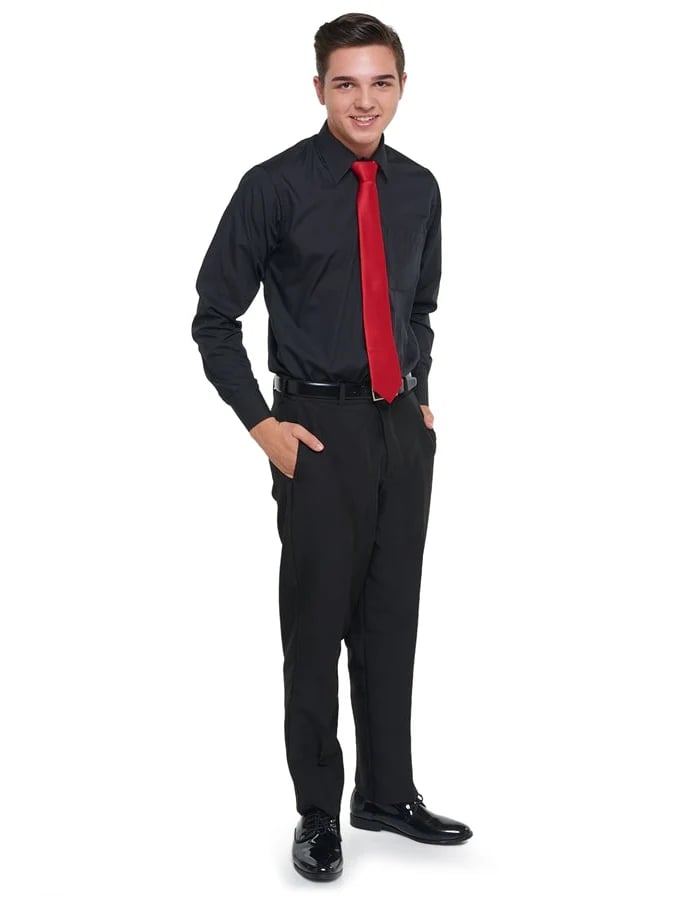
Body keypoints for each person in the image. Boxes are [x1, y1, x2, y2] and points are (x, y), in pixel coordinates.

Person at [191, 11, 473, 882]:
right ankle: (317, 810)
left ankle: (386, 792)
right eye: (345, 83)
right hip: (314, 432)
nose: (364, 100)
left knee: (391, 617)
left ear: (402, 86)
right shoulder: (272, 186)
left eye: (380, 82)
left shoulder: (418, 188)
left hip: (398, 430)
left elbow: (418, 307)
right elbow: (213, 320)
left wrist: (418, 399)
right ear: (318, 88)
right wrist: (263, 428)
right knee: (315, 628)